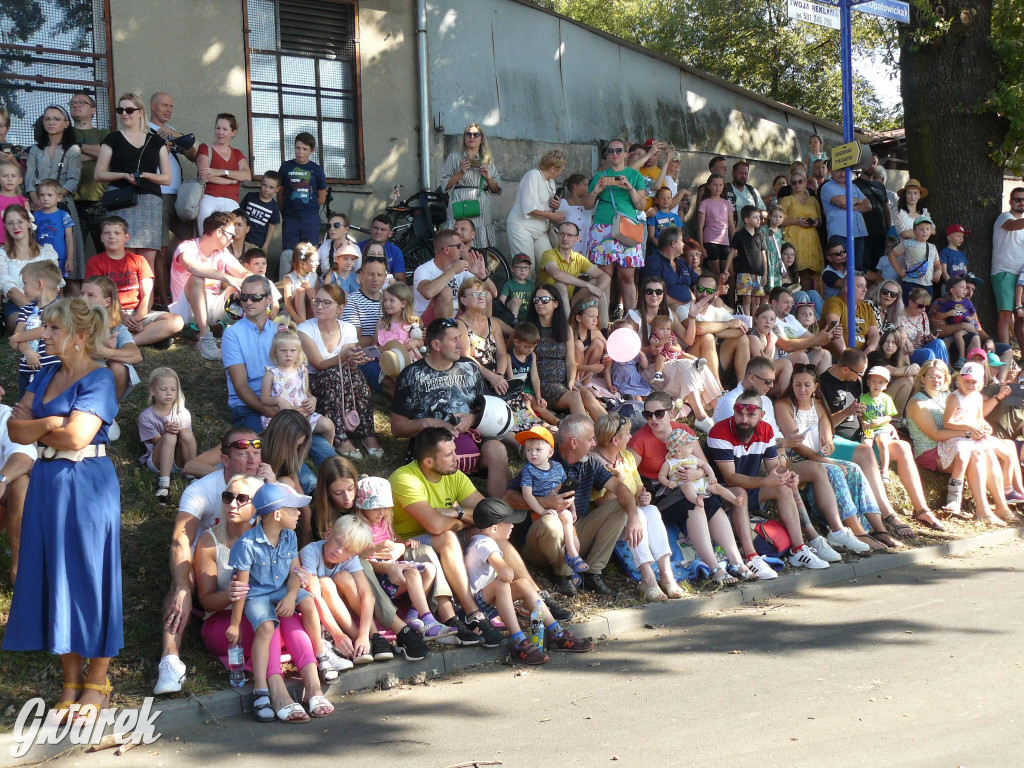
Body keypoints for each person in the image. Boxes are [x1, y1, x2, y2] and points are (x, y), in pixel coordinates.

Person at [4, 298, 122, 721]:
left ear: (80, 334)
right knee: (58, 578)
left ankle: (98, 682)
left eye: (53, 328)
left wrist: (47, 428)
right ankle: (72, 682)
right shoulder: (48, 371)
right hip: (48, 483)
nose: (45, 335)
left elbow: (77, 438)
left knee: (90, 576)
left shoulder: (100, 379)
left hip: (87, 484)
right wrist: (51, 424)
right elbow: (14, 427)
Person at [195, 475, 330, 723]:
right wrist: (230, 594)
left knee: (284, 617)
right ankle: (274, 689)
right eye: (228, 497)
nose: (233, 504)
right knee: (274, 623)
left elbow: (294, 573)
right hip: (227, 619)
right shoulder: (210, 541)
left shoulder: (283, 536)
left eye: (242, 498)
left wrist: (293, 591)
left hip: (267, 608)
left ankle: (313, 686)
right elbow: (206, 602)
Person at [626, 391, 767, 581]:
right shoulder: (640, 440)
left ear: (671, 413)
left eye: (659, 413)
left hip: (693, 486)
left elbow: (702, 463)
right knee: (696, 504)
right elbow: (629, 476)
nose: (653, 419)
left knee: (711, 503)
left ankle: (737, 562)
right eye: (647, 415)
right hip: (662, 494)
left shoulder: (684, 433)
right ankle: (715, 567)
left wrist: (698, 473)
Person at [389, 427, 504, 646]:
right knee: (448, 537)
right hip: (407, 544)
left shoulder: (455, 475)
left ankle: (534, 595)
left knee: (488, 530)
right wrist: (464, 521)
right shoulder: (404, 478)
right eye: (449, 455)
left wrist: (456, 512)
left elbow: (491, 514)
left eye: (455, 451)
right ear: (428, 462)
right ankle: (471, 612)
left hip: (441, 536)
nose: (457, 458)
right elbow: (434, 525)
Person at [507, 414, 643, 597]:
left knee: (621, 506)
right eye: (590, 439)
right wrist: (545, 502)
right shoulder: (541, 458)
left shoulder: (590, 462)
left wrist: (634, 517)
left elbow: (619, 487)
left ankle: (592, 573)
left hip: (575, 532)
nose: (595, 443)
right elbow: (508, 497)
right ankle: (563, 575)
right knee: (551, 523)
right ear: (573, 443)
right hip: (539, 541)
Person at [818, 348, 943, 536]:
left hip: (863, 437)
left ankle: (921, 509)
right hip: (834, 441)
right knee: (865, 451)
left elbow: (870, 408)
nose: (863, 377)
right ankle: (888, 515)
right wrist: (847, 412)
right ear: (845, 369)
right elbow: (821, 424)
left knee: (902, 447)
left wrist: (885, 424)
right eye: (860, 373)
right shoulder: (822, 384)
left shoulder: (856, 380)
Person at [707, 388, 830, 569]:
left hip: (749, 488)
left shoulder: (766, 429)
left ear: (762, 414)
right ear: (734, 410)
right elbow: (730, 478)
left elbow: (775, 468)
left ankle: (799, 549)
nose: (744, 420)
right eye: (739, 413)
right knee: (740, 491)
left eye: (750, 414)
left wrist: (788, 475)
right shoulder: (719, 432)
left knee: (784, 486)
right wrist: (766, 481)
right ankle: (751, 557)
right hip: (721, 494)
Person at [390, 317, 510, 498]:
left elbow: (484, 412)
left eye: (460, 338)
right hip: (434, 447)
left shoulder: (469, 367)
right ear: (436, 345)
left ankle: (500, 509)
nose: (461, 345)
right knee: (442, 450)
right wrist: (430, 423)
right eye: (454, 339)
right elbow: (397, 428)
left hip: (472, 438)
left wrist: (472, 419)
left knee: (497, 449)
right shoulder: (412, 375)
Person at [465, 497, 594, 665]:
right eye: (509, 523)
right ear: (495, 528)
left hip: (485, 599)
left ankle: (557, 633)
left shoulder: (483, 541)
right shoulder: (485, 544)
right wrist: (508, 569)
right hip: (477, 607)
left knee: (524, 584)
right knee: (502, 583)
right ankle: (519, 641)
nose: (512, 526)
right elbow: (506, 574)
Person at [776, 365, 880, 553]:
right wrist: (828, 461)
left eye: (807, 385)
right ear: (791, 385)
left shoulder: (818, 405)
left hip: (818, 457)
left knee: (854, 468)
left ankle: (876, 527)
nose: (802, 389)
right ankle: (855, 531)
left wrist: (828, 447)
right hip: (796, 459)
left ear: (815, 386)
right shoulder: (783, 406)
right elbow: (797, 446)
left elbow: (828, 440)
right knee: (833, 469)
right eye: (797, 384)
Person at [906, 360, 1007, 525]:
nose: (936, 380)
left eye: (940, 376)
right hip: (930, 450)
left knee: (985, 453)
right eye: (931, 376)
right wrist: (968, 433)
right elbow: (936, 434)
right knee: (976, 456)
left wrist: (981, 428)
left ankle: (1001, 505)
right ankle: (982, 509)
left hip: (954, 445)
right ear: (922, 378)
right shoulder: (918, 403)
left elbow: (973, 417)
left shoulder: (947, 396)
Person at [94, 93, 172, 299]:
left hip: (149, 200)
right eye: (121, 110)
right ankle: (120, 306)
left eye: (129, 109)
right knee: (122, 257)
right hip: (121, 198)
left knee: (147, 261)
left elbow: (167, 178)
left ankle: (145, 308)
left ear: (141, 112)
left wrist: (146, 175)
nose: (125, 114)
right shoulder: (112, 138)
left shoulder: (156, 141)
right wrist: (122, 175)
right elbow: (99, 173)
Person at [353, 476, 446, 641]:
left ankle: (413, 614)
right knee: (412, 574)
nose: (381, 513)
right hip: (378, 577)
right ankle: (428, 619)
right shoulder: (358, 526)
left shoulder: (384, 521)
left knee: (430, 569)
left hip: (394, 568)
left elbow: (395, 539)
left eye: (384, 508)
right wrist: (376, 548)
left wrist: (406, 544)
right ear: (362, 508)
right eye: (375, 508)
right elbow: (357, 558)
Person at [299, 513, 395, 667]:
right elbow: (314, 595)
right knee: (325, 583)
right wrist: (338, 634)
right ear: (328, 533)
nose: (339, 551)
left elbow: (367, 596)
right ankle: (358, 641)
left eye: (347, 550)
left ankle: (370, 638)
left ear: (354, 554)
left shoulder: (350, 559)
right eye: (338, 542)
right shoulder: (310, 552)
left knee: (344, 576)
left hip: (339, 605)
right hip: (317, 607)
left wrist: (364, 634)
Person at [85, 216, 184, 347]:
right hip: (109, 312)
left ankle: (127, 342)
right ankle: (148, 338)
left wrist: (139, 319)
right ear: (102, 238)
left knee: (176, 321)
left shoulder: (139, 260)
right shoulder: (95, 261)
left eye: (117, 233)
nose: (112, 237)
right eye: (107, 233)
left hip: (138, 312)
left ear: (126, 237)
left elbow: (148, 295)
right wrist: (120, 316)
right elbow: (95, 295)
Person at [169, 211, 250, 360]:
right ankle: (206, 338)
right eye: (231, 235)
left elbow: (243, 273)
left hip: (211, 307)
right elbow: (192, 267)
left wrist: (252, 283)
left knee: (249, 283)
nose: (233, 240)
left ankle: (260, 330)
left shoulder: (221, 252)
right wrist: (227, 277)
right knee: (197, 277)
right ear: (219, 232)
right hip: (185, 309)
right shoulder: (187, 247)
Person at [525, 284, 606, 420]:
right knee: (575, 396)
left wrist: (571, 381)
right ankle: (586, 435)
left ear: (556, 303)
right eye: (536, 300)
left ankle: (611, 430)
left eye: (544, 299)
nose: (539, 303)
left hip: (564, 381)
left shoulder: (565, 328)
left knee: (587, 395)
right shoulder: (529, 328)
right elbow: (512, 348)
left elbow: (570, 360)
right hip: (541, 383)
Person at [25, 105, 85, 283]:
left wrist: (54, 197)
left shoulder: (73, 150)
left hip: (64, 203)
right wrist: (37, 200)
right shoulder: (35, 150)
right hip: (38, 205)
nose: (51, 122)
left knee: (68, 243)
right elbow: (29, 179)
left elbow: (73, 180)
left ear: (66, 123)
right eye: (47, 119)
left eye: (56, 119)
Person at [515, 425, 587, 573]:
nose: (533, 454)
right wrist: (542, 511)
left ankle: (572, 565)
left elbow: (567, 490)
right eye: (529, 450)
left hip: (561, 508)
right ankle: (571, 559)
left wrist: (573, 509)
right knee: (564, 518)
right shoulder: (528, 470)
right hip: (542, 512)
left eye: (538, 450)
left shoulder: (557, 468)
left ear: (550, 452)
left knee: (574, 539)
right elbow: (527, 494)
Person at [588, 139, 647, 312]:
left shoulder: (635, 176)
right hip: (603, 226)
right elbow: (587, 205)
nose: (615, 154)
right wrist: (595, 192)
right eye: (611, 151)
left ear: (626, 153)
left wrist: (630, 188)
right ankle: (603, 320)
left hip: (627, 227)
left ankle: (632, 319)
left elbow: (641, 206)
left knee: (628, 276)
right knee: (605, 275)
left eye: (619, 150)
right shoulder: (600, 175)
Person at [259, 328, 336, 446]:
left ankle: (329, 450)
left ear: (299, 352)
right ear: (275, 353)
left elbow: (306, 392)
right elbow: (264, 398)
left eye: (292, 350)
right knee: (291, 437)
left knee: (328, 425)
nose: (288, 354)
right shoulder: (271, 373)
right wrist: (278, 400)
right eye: (283, 350)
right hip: (283, 420)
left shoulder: (302, 371)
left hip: (305, 415)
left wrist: (312, 399)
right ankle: (293, 453)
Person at [0, 204, 61, 333]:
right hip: (18, 306)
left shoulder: (47, 252)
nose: (15, 227)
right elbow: (9, 289)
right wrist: (37, 314)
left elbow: (56, 283)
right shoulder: (2, 254)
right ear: (6, 226)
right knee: (27, 324)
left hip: (48, 302)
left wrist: (48, 309)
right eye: (10, 223)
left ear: (29, 223)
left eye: (20, 222)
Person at [439, 123, 501, 246]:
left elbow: (497, 189)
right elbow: (444, 186)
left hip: (479, 202)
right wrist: (460, 172)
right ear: (464, 138)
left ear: (481, 139)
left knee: (481, 242)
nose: (471, 137)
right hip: (458, 200)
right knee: (456, 239)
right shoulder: (454, 158)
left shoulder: (487, 160)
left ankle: (480, 264)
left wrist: (488, 178)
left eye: (476, 134)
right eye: (468, 134)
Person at [539, 221, 611, 327]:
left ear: (577, 239)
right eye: (562, 234)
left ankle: (605, 332)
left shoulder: (578, 258)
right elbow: (556, 274)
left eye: (569, 235)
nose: (565, 238)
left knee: (598, 284)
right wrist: (587, 285)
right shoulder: (549, 254)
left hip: (568, 302)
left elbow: (605, 277)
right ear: (558, 236)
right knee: (561, 285)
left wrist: (596, 293)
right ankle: (569, 330)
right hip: (547, 302)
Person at [412, 228, 493, 322]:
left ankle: (484, 334)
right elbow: (428, 293)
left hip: (458, 316)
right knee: (445, 292)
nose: (462, 249)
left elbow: (493, 293)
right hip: (429, 320)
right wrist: (452, 271)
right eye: (458, 246)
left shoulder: (459, 268)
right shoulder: (424, 270)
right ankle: (446, 334)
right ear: (446, 249)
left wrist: (482, 276)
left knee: (485, 295)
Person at [506, 151, 567, 274]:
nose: (561, 173)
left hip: (540, 230)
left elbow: (544, 206)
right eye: (561, 170)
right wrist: (553, 216)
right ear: (553, 168)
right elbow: (530, 209)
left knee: (551, 266)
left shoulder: (551, 182)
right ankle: (525, 293)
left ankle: (546, 293)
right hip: (522, 228)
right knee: (527, 270)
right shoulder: (532, 176)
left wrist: (555, 206)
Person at [9, 259, 62, 398]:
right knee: (25, 404)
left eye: (25, 283)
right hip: (27, 369)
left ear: (40, 284)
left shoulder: (60, 308)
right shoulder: (26, 309)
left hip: (52, 369)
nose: (22, 288)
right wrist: (28, 353)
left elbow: (44, 330)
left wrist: (18, 337)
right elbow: (14, 342)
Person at [195, 113, 251, 233]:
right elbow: (204, 175)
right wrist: (231, 180)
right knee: (206, 235)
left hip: (232, 201)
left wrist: (220, 172)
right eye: (218, 128)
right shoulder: (205, 148)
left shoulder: (237, 153)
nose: (220, 132)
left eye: (225, 129)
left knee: (231, 238)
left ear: (233, 132)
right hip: (210, 198)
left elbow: (247, 175)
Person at [0, 394, 34, 584]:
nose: (2, 391)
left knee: (20, 482)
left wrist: (1, 480)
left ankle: (19, 566)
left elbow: (24, 457)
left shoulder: (7, 416)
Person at [68, 92, 107, 256]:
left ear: (93, 110)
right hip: (71, 203)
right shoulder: (64, 132)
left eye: (81, 102)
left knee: (106, 251)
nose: (76, 105)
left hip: (102, 202)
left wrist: (76, 147)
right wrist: (96, 153)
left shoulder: (104, 134)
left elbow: (107, 154)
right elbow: (64, 160)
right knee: (74, 254)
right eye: (73, 103)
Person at [660, 428, 736, 510]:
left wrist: (711, 475)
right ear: (679, 451)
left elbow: (704, 464)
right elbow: (661, 475)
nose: (692, 449)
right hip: (684, 485)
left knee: (717, 487)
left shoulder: (692, 458)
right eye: (690, 447)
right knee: (687, 487)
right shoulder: (669, 463)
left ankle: (734, 499)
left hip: (700, 481)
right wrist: (667, 482)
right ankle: (696, 501)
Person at [456, 278, 510, 396]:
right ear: (463, 300)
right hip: (473, 377)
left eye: (483, 293)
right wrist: (492, 377)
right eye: (476, 294)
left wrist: (499, 376)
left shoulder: (493, 322)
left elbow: (502, 354)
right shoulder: (459, 324)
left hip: (496, 376)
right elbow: (465, 356)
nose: (481, 297)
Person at [278, 132, 327, 256]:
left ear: (312, 151)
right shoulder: (286, 167)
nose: (300, 152)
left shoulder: (316, 169)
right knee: (290, 254)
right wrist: (286, 212)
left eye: (305, 149)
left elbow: (322, 196)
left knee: (309, 255)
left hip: (310, 218)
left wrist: (310, 208)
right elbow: (280, 193)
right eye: (298, 148)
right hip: (290, 218)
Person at [819, 167, 870, 271]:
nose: (842, 174)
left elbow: (868, 206)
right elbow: (842, 202)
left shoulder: (854, 187)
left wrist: (851, 206)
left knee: (857, 269)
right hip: (839, 235)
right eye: (838, 171)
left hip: (858, 234)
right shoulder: (827, 187)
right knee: (841, 270)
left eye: (844, 171)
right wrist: (857, 200)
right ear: (830, 171)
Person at [991, 188, 1024, 345]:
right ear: (1010, 201)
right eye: (1018, 199)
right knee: (1005, 315)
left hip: (1021, 276)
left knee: (1020, 317)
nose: (1021, 203)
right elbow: (1012, 226)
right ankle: (1005, 353)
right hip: (1004, 272)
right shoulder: (1004, 217)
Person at [889, 215, 941, 303]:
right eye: (921, 229)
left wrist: (938, 272)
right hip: (910, 283)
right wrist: (898, 270)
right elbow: (892, 255)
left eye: (927, 229)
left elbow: (937, 264)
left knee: (924, 308)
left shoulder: (932, 247)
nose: (925, 232)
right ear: (914, 231)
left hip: (927, 284)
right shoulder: (907, 243)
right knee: (908, 307)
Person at [867, 329, 921, 415]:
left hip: (887, 399)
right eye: (887, 341)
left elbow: (919, 372)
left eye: (894, 342)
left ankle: (908, 417)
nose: (889, 345)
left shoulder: (898, 359)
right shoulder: (874, 356)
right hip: (873, 400)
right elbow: (894, 371)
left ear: (898, 345)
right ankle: (897, 419)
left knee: (918, 383)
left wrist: (915, 366)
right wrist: (914, 368)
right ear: (882, 343)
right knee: (907, 380)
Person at [821, 273, 878, 354]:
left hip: (860, 356)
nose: (865, 289)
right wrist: (847, 356)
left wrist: (870, 349)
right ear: (847, 289)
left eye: (865, 286)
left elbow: (874, 334)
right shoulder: (834, 302)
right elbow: (833, 328)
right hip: (837, 358)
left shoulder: (867, 307)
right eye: (860, 286)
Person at [30, 178, 74, 281]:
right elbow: (31, 237)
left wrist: (70, 259)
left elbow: (69, 238)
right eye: (42, 195)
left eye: (49, 195)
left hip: (59, 257)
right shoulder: (35, 216)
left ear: (59, 198)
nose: (45, 198)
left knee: (59, 285)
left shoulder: (64, 215)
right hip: (40, 257)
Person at [860, 366, 899, 478]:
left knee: (883, 442)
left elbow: (889, 416)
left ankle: (885, 470)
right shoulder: (863, 398)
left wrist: (880, 420)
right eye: (873, 381)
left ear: (886, 385)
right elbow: (859, 415)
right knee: (866, 445)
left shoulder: (886, 399)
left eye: (881, 382)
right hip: (868, 428)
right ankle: (869, 467)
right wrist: (863, 423)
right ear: (868, 382)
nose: (876, 385)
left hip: (882, 428)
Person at [696, 173, 735, 278]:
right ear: (709, 186)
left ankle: (730, 295)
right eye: (715, 185)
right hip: (710, 241)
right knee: (715, 275)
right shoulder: (705, 203)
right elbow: (700, 226)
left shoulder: (727, 204)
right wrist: (701, 246)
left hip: (725, 242)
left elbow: (731, 225)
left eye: (720, 185)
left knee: (729, 274)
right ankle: (715, 294)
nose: (718, 188)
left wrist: (736, 245)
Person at [899, 287, 949, 365]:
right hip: (909, 353)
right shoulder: (899, 318)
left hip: (923, 347)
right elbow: (899, 344)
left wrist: (929, 339)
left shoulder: (923, 315)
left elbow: (926, 335)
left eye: (926, 306)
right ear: (911, 302)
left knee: (939, 342)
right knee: (928, 353)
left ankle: (944, 373)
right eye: (920, 306)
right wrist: (915, 341)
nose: (923, 309)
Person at [357, 214, 406, 282]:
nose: (378, 232)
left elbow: (401, 281)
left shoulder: (395, 251)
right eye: (376, 228)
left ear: (390, 234)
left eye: (383, 229)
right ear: (371, 229)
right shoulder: (357, 248)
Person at [241, 171, 281, 253]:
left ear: (277, 189)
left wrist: (265, 246)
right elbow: (240, 215)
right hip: (242, 238)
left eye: (271, 187)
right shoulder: (250, 197)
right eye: (264, 185)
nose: (266, 190)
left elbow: (271, 227)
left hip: (258, 242)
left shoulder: (274, 206)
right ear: (261, 183)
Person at [282, 241, 320, 324]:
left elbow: (316, 299)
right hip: (295, 315)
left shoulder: (314, 276)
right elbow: (288, 304)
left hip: (310, 312)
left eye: (318, 260)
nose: (318, 263)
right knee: (300, 290)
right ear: (302, 263)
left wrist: (311, 291)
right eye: (314, 261)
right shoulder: (289, 278)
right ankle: (302, 323)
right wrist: (298, 320)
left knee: (311, 291)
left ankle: (318, 320)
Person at [499, 252, 535, 322]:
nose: (523, 270)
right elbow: (501, 301)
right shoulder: (509, 284)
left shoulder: (531, 285)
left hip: (527, 315)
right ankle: (514, 321)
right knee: (516, 300)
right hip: (512, 312)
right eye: (519, 267)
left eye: (526, 268)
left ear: (529, 270)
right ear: (512, 269)